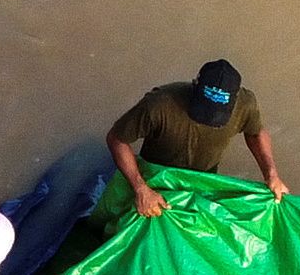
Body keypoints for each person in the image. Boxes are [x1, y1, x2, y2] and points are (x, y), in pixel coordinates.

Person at [104, 58, 287, 217]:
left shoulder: (246, 105)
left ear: (235, 100)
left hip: (202, 181)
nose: (208, 120)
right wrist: (141, 189)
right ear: (195, 85)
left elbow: (256, 132)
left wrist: (271, 174)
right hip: (156, 180)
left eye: (217, 115)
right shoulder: (158, 105)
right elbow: (117, 138)